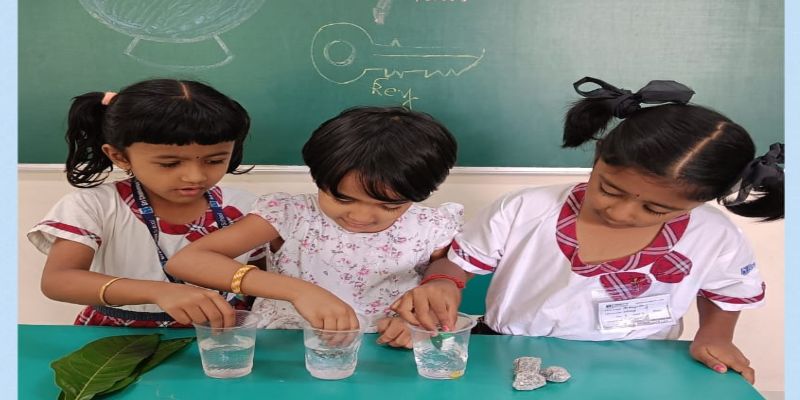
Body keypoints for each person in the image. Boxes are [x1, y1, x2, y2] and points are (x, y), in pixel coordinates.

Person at [392, 77, 784, 383]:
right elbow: (458, 264)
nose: (620, 211)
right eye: (609, 189)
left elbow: (727, 291)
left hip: (641, 361)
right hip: (508, 351)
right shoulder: (525, 209)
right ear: (598, 157)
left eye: (655, 208)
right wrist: (443, 283)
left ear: (702, 201)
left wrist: (715, 336)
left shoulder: (714, 236)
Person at [167, 106, 462, 347]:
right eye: (342, 198)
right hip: (285, 347)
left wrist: (420, 316)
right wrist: (298, 291)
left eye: (389, 206)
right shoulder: (290, 215)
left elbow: (447, 269)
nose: (361, 216)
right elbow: (187, 262)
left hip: (382, 348)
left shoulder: (430, 226)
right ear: (317, 178)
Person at [28, 78, 265, 328]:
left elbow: (261, 277)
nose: (195, 176)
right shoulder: (94, 206)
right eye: (170, 164)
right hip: (117, 334)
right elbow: (58, 280)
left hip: (221, 330)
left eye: (215, 160)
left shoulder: (248, 206)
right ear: (119, 156)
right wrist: (158, 291)